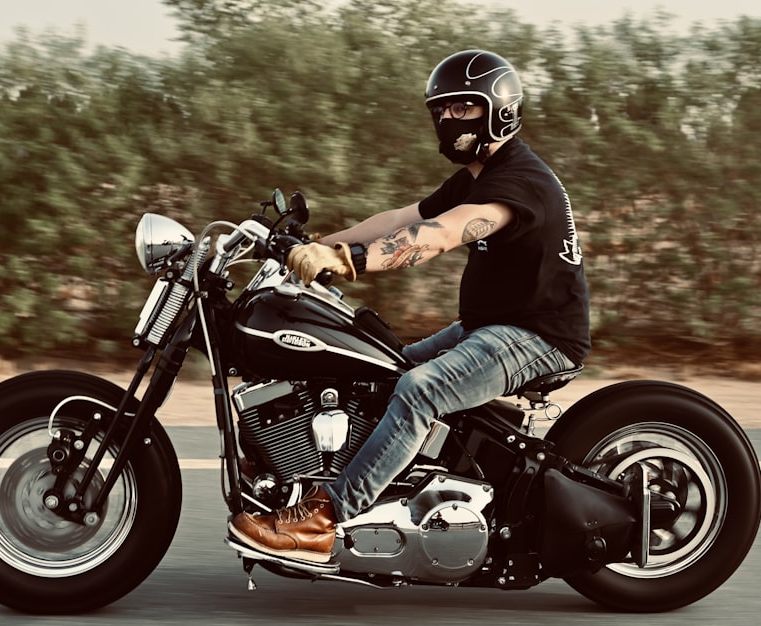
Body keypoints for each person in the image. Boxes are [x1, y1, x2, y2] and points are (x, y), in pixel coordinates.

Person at [228, 49, 590, 563]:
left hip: (538, 336)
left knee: (420, 391)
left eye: (462, 108)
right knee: (376, 368)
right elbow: (402, 216)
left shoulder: (517, 181)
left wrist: (347, 260)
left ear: (498, 109)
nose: (447, 120)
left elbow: (439, 234)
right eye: (440, 110)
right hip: (487, 327)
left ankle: (325, 518)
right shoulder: (477, 176)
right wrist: (311, 245)